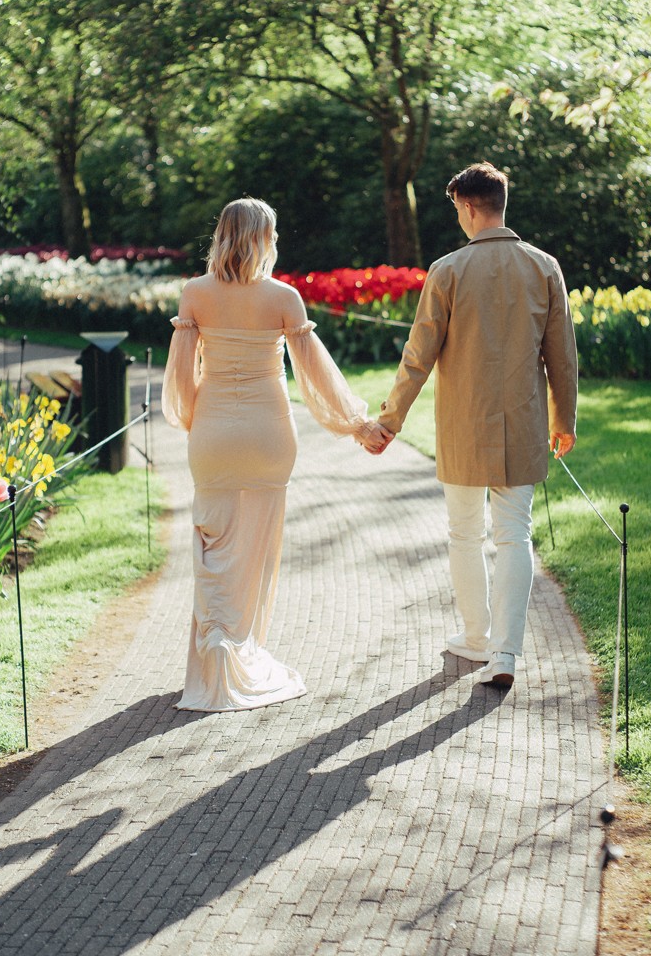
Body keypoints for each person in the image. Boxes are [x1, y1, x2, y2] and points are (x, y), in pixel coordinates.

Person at [162, 198, 387, 712]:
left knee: (212, 543)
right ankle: (239, 646)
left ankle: (216, 645)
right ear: (264, 238)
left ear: (222, 236)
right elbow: (315, 376)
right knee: (257, 548)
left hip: (214, 432)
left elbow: (180, 379)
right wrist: (357, 424)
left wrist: (198, 425)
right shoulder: (285, 298)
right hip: (270, 436)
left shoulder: (194, 294)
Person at [374, 162, 578, 694]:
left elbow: (417, 358)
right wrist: (564, 420)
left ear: (467, 206)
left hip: (463, 425)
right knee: (515, 535)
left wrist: (389, 421)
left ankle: (476, 636)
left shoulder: (447, 270)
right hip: (524, 424)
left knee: (465, 533)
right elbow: (563, 356)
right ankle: (506, 652)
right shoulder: (544, 267)